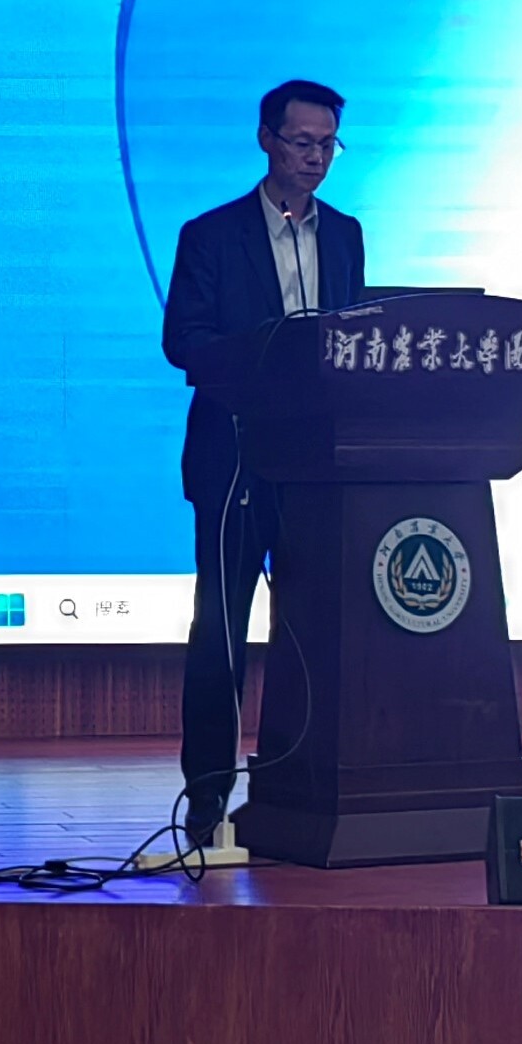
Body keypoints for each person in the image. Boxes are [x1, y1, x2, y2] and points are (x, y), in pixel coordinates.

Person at [161, 81, 366, 844]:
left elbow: (352, 337)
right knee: (220, 628)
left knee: (315, 631)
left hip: (318, 466)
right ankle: (207, 793)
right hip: (232, 459)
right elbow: (183, 340)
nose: (315, 158)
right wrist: (267, 359)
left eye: (327, 144)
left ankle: (297, 782)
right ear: (266, 139)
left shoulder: (343, 234)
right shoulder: (210, 235)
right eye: (301, 142)